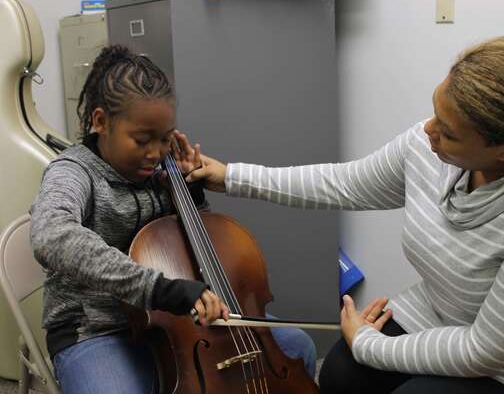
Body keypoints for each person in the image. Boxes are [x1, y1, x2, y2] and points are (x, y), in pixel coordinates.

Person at [188, 35, 504, 394]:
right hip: (442, 317)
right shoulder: (433, 147)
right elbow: (345, 183)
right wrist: (232, 177)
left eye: (448, 131)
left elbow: (486, 350)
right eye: (436, 111)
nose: (427, 131)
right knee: (341, 377)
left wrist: (371, 343)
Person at [30, 45, 315, 394]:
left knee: (298, 347)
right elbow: (51, 236)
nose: (155, 153)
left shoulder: (161, 170)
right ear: (101, 121)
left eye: (165, 138)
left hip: (180, 322)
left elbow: (194, 254)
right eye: (142, 140)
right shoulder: (73, 173)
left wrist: (188, 195)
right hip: (98, 330)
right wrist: (160, 289)